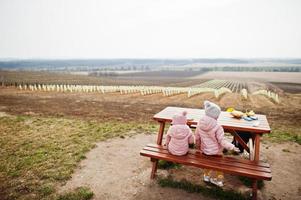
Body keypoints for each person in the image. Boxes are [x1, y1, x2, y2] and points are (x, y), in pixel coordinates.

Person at [195, 101, 240, 187]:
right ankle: (218, 180)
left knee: (208, 163)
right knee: (219, 165)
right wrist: (232, 147)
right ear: (216, 115)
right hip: (216, 152)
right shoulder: (218, 126)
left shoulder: (199, 123)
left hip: (205, 150)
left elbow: (197, 137)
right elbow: (222, 141)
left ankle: (206, 176)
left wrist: (198, 145)